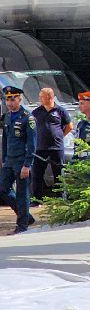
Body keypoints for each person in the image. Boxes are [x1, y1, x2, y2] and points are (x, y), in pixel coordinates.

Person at [28, 85, 72, 203]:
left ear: (49, 97)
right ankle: (36, 199)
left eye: (42, 97)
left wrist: (60, 136)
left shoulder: (60, 111)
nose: (40, 99)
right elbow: (31, 127)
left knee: (58, 173)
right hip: (40, 148)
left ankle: (61, 198)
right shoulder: (36, 112)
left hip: (56, 147)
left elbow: (69, 126)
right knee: (37, 174)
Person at [2, 87, 36, 233]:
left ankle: (22, 225)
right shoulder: (8, 116)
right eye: (7, 99)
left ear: (19, 99)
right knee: (2, 189)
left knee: (22, 194)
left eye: (13, 99)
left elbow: (32, 144)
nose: (10, 102)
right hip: (9, 160)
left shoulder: (27, 117)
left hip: (22, 161)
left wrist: (27, 165)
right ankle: (26, 216)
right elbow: (6, 140)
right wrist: (4, 159)